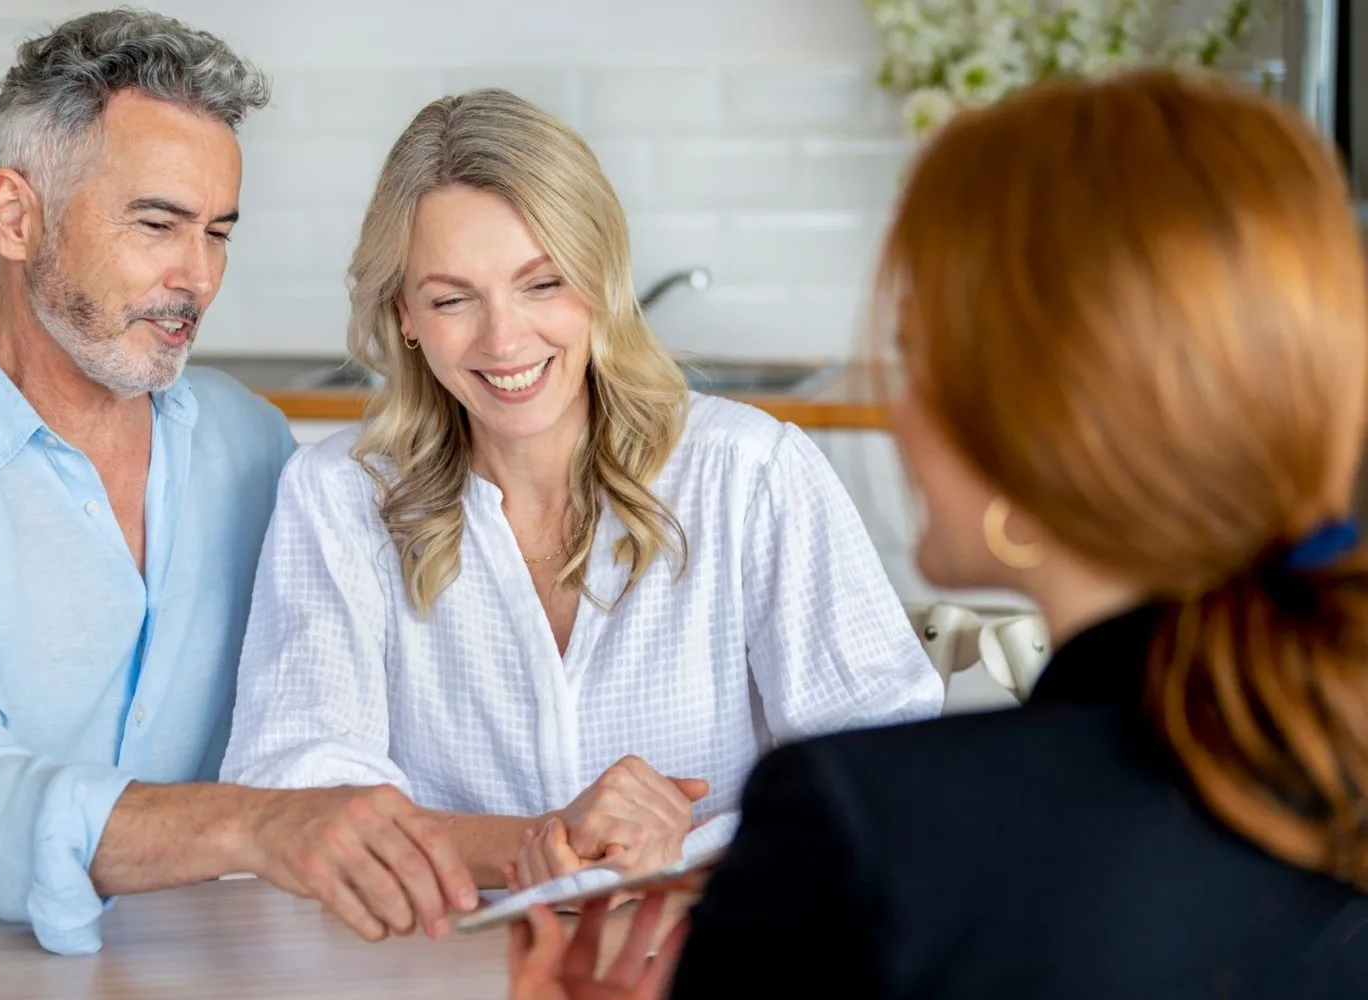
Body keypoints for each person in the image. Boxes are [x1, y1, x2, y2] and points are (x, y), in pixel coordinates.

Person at [508, 68, 1368, 998]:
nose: (898, 414)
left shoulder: (866, 832)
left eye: (916, 358)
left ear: (1035, 423)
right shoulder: (1323, 760)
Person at [0, 10, 479, 956]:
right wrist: (252, 825)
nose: (199, 278)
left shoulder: (247, 442)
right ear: (15, 216)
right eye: (157, 225)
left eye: (218, 233)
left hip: (173, 958)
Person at [220, 88, 943, 890]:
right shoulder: (339, 496)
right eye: (453, 299)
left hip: (711, 938)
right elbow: (294, 788)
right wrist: (540, 842)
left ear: (601, 279)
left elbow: (887, 770)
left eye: (542, 284)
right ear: (406, 315)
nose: (504, 340)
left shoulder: (749, 472)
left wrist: (685, 851)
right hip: (434, 949)